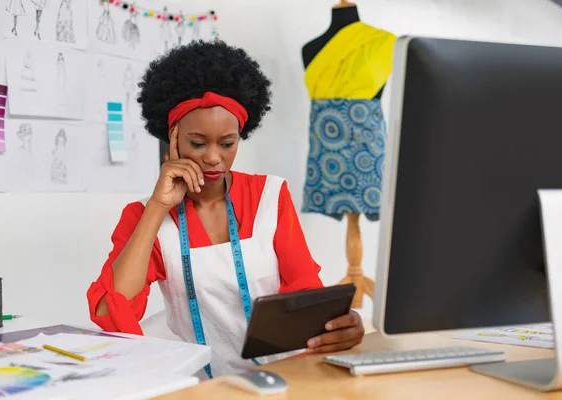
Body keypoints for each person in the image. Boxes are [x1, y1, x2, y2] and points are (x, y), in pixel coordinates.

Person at [87, 40, 365, 379]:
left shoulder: (270, 195)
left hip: (286, 377)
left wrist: (338, 326)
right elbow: (110, 311)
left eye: (228, 143)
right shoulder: (145, 215)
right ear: (172, 137)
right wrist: (158, 208)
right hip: (205, 385)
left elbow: (304, 290)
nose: (214, 158)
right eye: (198, 143)